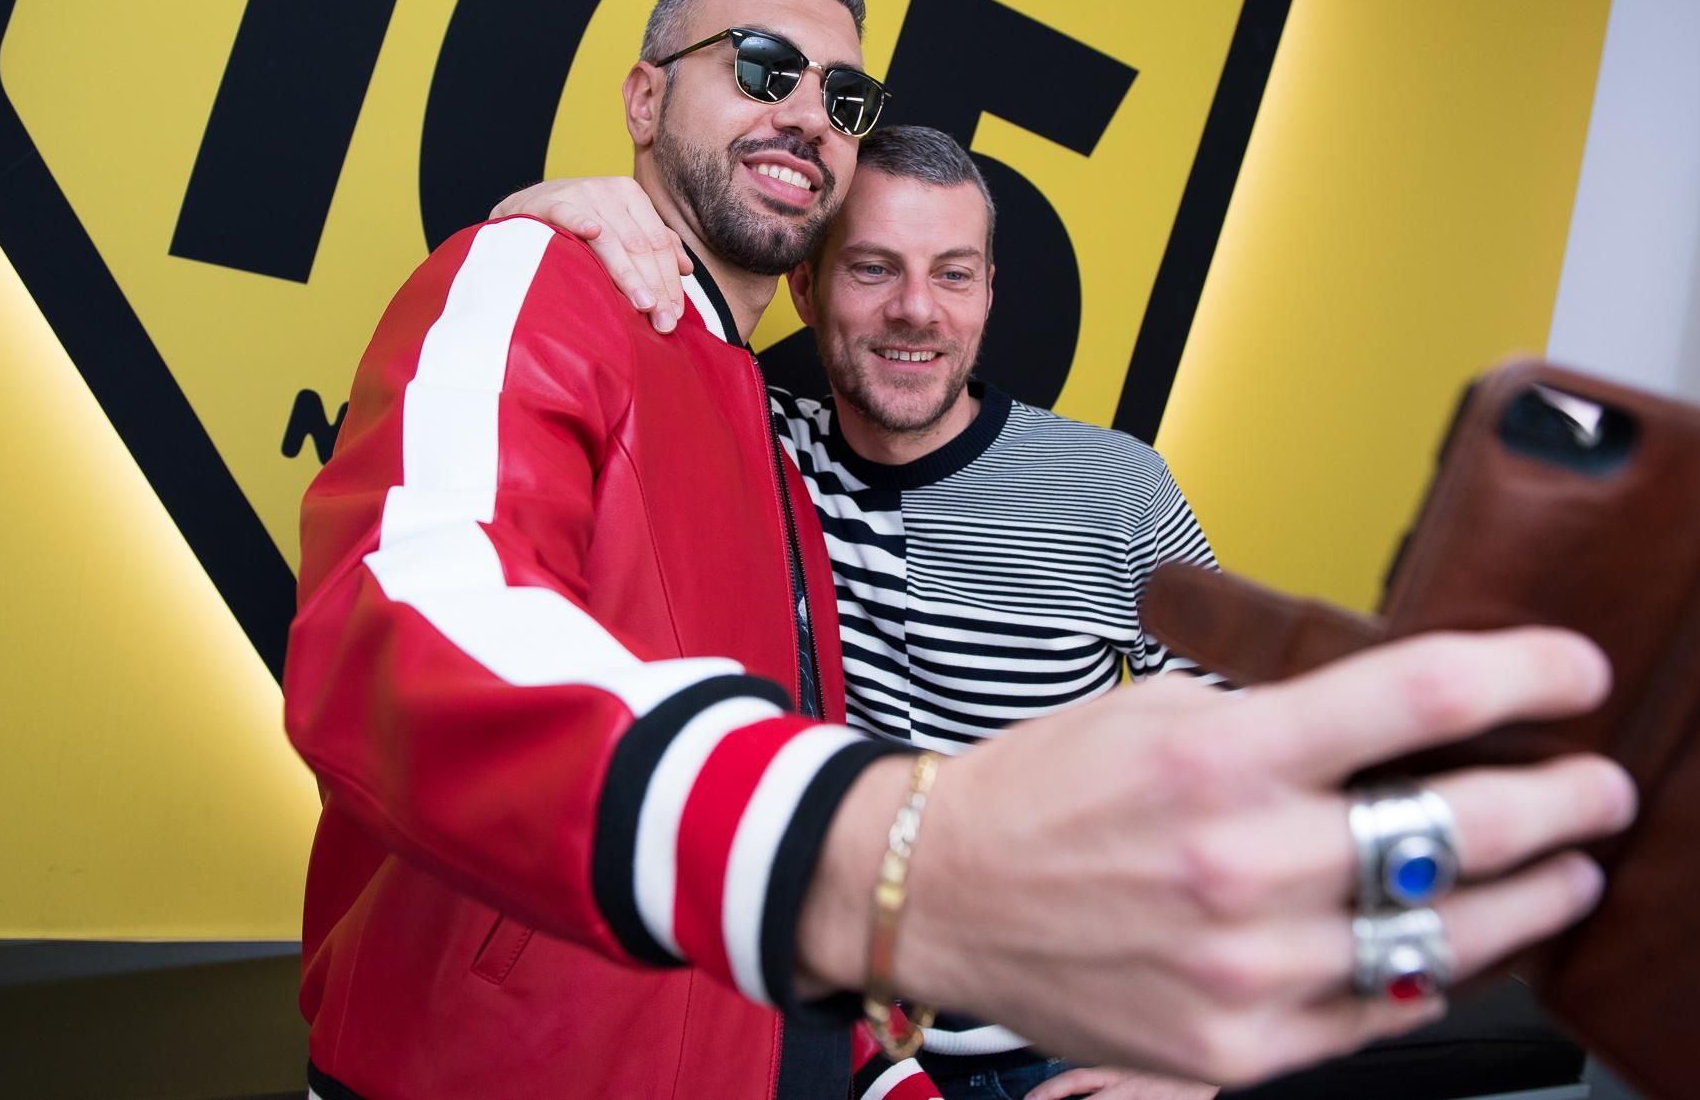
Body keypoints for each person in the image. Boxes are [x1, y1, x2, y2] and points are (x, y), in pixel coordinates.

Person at [285, 0, 1637, 1100]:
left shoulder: (794, 438)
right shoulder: (558, 284)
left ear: (992, 296)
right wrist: (869, 853)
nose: (805, 112)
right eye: (759, 67)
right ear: (647, 97)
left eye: (842, 95)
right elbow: (405, 620)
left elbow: (1250, 756)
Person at [505, 124, 1226, 1098]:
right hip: (826, 1051)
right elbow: (585, 336)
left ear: (989, 293)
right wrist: (556, 220)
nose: (916, 309)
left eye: (953, 274)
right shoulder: (747, 448)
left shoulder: (1117, 488)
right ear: (805, 288)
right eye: (874, 268)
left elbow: (1255, 758)